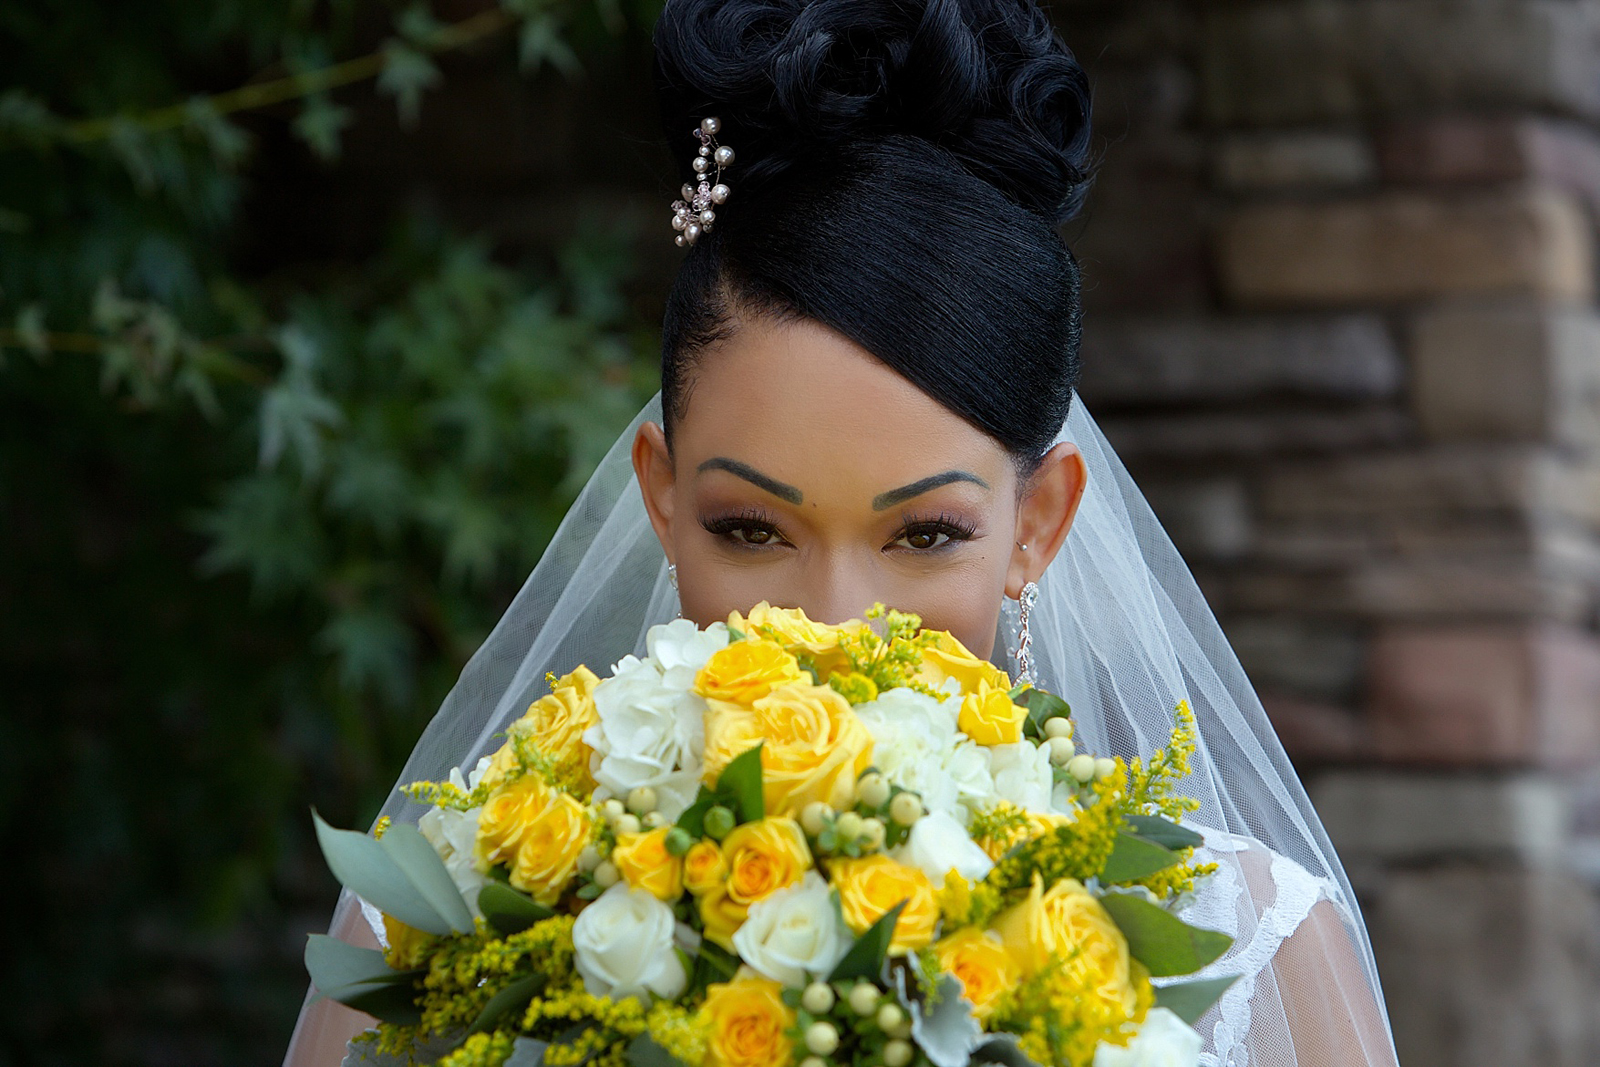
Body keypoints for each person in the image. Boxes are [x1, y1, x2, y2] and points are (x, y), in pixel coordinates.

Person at [285, 1, 1401, 1064]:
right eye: (749, 527)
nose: (829, 624)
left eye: (922, 535)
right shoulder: (450, 917)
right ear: (662, 498)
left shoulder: (1246, 940)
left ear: (1037, 523)